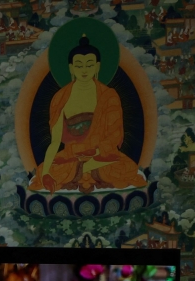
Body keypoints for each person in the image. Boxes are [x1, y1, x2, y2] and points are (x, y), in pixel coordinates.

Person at [29, 35, 148, 194]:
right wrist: (45, 174)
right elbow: (55, 142)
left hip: (101, 157)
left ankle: (84, 171)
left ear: (97, 66)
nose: (84, 70)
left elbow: (114, 136)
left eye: (89, 64)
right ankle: (82, 171)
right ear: (71, 68)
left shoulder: (109, 96)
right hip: (71, 157)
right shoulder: (60, 98)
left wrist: (92, 158)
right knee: (44, 170)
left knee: (128, 168)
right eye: (78, 65)